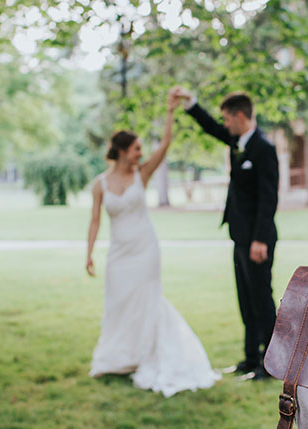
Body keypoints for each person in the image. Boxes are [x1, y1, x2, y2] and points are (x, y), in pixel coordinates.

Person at [85, 88, 220, 397]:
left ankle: (145, 354)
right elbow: (94, 221)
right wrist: (89, 253)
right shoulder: (100, 184)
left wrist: (171, 111)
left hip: (145, 249)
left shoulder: (141, 175)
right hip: (119, 252)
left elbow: (166, 144)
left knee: (146, 301)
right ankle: (118, 358)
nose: (140, 154)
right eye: (135, 149)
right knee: (118, 302)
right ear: (121, 151)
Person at [177, 89, 279, 381]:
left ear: (239, 116)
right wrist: (191, 104)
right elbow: (210, 128)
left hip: (258, 240)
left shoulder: (263, 148)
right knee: (245, 300)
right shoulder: (238, 142)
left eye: (227, 119)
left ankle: (270, 364)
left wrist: (259, 239)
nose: (225, 125)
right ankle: (249, 359)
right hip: (239, 236)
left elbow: (268, 197)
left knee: (262, 301)